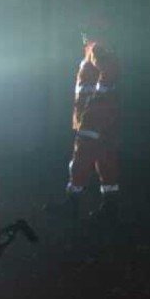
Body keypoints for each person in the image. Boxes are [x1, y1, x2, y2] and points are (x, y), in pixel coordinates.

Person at [52, 17, 122, 222]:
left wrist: (98, 98)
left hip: (92, 117)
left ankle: (71, 203)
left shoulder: (96, 48)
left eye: (85, 30)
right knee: (105, 159)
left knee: (81, 157)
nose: (82, 34)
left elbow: (108, 73)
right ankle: (110, 206)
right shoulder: (105, 48)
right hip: (104, 117)